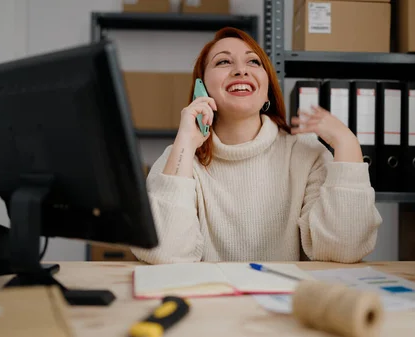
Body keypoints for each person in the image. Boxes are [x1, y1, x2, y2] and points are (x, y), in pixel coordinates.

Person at [131, 27, 382, 264]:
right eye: (223, 61)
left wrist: (348, 144)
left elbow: (344, 249)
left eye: (253, 62)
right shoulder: (180, 157)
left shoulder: (306, 154)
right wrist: (185, 140)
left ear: (267, 89)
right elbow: (163, 251)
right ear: (202, 87)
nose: (241, 70)